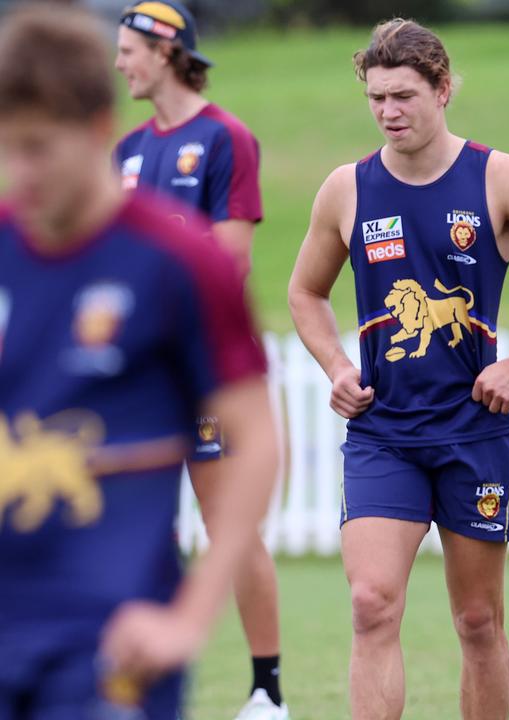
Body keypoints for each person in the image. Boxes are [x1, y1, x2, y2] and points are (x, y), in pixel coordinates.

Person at [287, 18, 509, 720]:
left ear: (442, 90)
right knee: (371, 605)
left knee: (476, 621)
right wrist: (336, 365)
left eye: (402, 96)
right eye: (376, 98)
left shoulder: (496, 176)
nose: (387, 112)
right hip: (384, 435)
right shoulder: (346, 189)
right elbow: (304, 293)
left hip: (475, 434)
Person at [0, 4, 278, 718]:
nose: (17, 172)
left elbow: (260, 442)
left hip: (112, 643)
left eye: (38, 148)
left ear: (93, 131)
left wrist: (190, 617)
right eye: (5, 147)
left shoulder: (182, 262)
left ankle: (267, 683)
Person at [113, 4, 286, 716]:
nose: (119, 62)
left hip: (201, 373)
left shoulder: (224, 138)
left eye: (128, 49)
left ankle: (267, 692)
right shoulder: (122, 149)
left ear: (167, 52)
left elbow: (232, 259)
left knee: (227, 527)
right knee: (128, 525)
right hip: (135, 376)